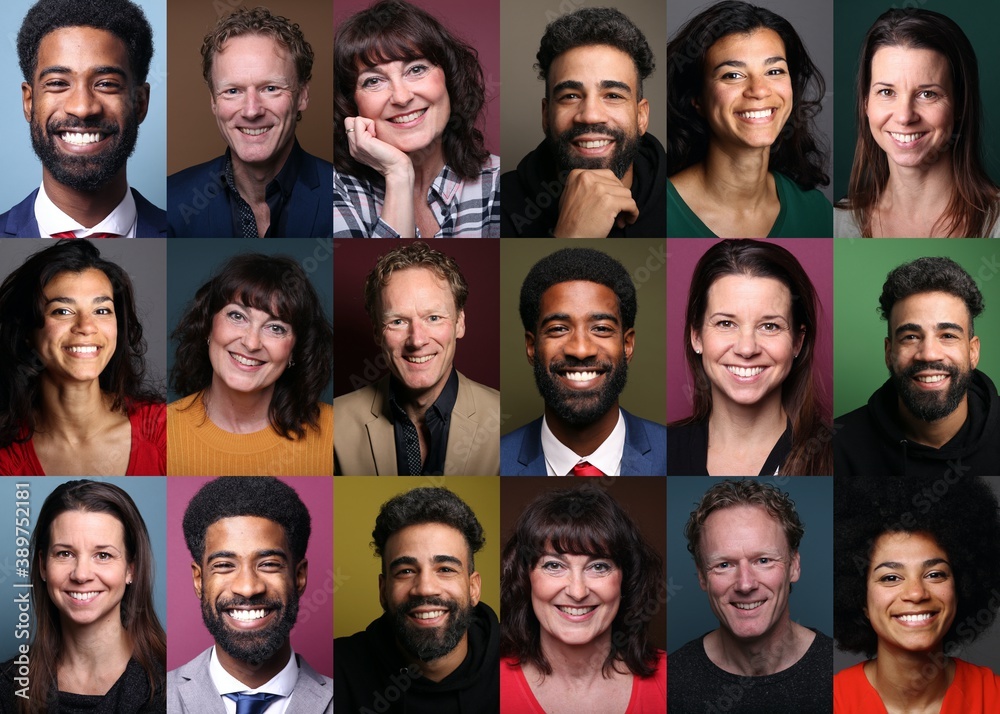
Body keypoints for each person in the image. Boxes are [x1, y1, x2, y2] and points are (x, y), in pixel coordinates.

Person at [0, 0, 166, 238]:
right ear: (29, 102)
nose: (82, 108)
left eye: (106, 84)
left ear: (140, 103)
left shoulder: (179, 231)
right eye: (58, 83)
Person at [833, 475, 1000, 711]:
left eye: (935, 574)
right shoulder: (831, 701)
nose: (916, 593)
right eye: (890, 578)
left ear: (961, 586)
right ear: (859, 599)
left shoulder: (993, 698)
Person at [333, 0, 499, 238]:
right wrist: (397, 173)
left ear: (449, 79)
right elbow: (391, 268)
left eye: (416, 69)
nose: (401, 97)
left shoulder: (497, 183)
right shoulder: (335, 190)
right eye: (373, 81)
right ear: (351, 104)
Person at [667, 1, 831, 238]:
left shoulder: (817, 212)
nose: (759, 90)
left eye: (774, 71)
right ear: (697, 98)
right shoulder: (660, 212)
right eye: (733, 75)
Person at [0, 240, 165, 476]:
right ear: (27, 332)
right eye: (62, 311)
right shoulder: (6, 458)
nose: (86, 327)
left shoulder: (164, 432)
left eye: (101, 311)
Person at [168, 477, 332, 713]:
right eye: (224, 565)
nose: (248, 588)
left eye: (268, 564)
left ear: (299, 577)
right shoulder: (160, 695)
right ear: (199, 580)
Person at [668, 240, 831, 476]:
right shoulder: (661, 451)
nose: (746, 349)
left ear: (798, 341)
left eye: (769, 326)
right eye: (726, 323)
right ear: (696, 336)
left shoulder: (837, 456)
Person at [0, 480, 166, 713]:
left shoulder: (173, 684)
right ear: (42, 566)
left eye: (103, 555)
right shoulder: (7, 688)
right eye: (65, 553)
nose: (81, 574)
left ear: (131, 569)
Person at [334, 242, 499, 475]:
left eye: (433, 317)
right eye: (398, 321)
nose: (417, 340)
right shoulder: (334, 423)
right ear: (377, 332)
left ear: (459, 323)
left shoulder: (502, 420)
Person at [669, 479, 833, 713]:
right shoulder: (673, 682)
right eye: (724, 564)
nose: (745, 584)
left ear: (794, 566)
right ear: (702, 577)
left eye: (763, 561)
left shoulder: (838, 672)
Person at [167, 7, 333, 238]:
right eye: (233, 91)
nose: (252, 110)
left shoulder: (342, 195)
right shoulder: (170, 202)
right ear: (214, 102)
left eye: (271, 88)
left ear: (302, 96)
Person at [501, 7, 666, 238]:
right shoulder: (497, 204)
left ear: (642, 116)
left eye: (613, 95)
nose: (590, 115)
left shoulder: (679, 199)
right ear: (546, 115)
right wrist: (570, 234)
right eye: (570, 96)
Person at [500, 485, 666, 713]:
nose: (577, 592)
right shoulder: (490, 684)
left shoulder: (673, 677)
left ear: (625, 579)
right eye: (554, 565)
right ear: (525, 579)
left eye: (598, 566)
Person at [501, 248, 666, 476]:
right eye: (558, 329)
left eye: (601, 329)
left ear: (627, 345)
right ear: (531, 347)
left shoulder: (671, 453)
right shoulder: (496, 461)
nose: (580, 350)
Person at [835, 9, 1000, 238]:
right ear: (865, 103)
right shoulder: (836, 223)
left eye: (927, 94)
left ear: (960, 104)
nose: (904, 117)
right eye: (886, 91)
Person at [335, 487, 499, 713]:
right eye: (406, 571)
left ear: (473, 588)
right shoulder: (337, 669)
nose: (425, 588)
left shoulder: (517, 662)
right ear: (383, 590)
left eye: (445, 569)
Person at [168, 253, 334, 475]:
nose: (251, 343)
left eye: (276, 328)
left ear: (295, 349)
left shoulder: (336, 431)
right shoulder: (160, 430)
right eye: (237, 316)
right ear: (208, 325)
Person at [834, 256, 1000, 476]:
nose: (929, 354)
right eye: (911, 337)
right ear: (888, 352)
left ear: (973, 351)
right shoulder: (836, 446)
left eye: (948, 335)